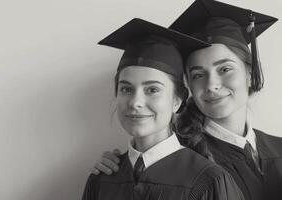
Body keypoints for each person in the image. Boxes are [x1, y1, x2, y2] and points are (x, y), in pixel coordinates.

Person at [91, 1, 282, 200]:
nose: (212, 85)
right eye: (198, 74)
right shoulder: (176, 160)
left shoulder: (278, 147)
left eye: (225, 69)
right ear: (187, 85)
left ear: (250, 74)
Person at [82, 18, 244, 200]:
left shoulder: (209, 181)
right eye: (126, 89)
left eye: (152, 90)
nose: (136, 102)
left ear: (177, 100)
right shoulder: (102, 179)